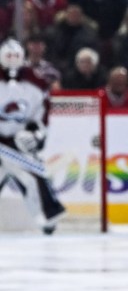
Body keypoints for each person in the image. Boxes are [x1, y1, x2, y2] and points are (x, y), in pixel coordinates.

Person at [0, 39, 66, 234]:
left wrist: (35, 136)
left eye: (15, 56)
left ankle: (47, 215)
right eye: (8, 56)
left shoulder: (35, 84)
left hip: (17, 142)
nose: (12, 61)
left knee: (33, 173)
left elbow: (41, 119)